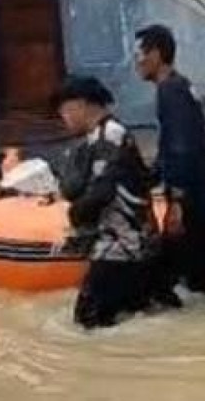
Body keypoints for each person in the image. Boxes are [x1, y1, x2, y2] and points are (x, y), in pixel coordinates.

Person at [54, 76, 157, 329]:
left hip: (120, 248)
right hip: (132, 245)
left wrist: (74, 218)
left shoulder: (110, 135)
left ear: (81, 104)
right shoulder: (101, 137)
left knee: (86, 323)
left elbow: (102, 192)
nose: (63, 118)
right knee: (127, 320)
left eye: (65, 110)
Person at [135, 25, 205, 300]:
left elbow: (182, 149)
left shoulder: (171, 91)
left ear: (157, 54)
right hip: (203, 197)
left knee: (187, 284)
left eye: (139, 54)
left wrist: (177, 202)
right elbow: (173, 148)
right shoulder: (182, 87)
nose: (136, 62)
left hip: (192, 203)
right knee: (189, 281)